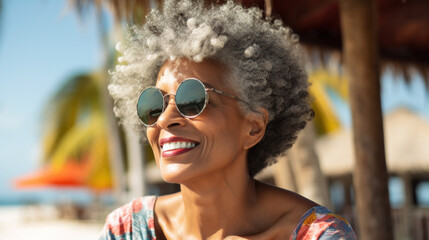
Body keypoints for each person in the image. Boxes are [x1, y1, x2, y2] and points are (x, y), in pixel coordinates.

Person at [100, 0, 357, 239]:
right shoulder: (126, 229)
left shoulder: (318, 234)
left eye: (193, 100)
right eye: (155, 104)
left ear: (253, 127)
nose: (166, 119)